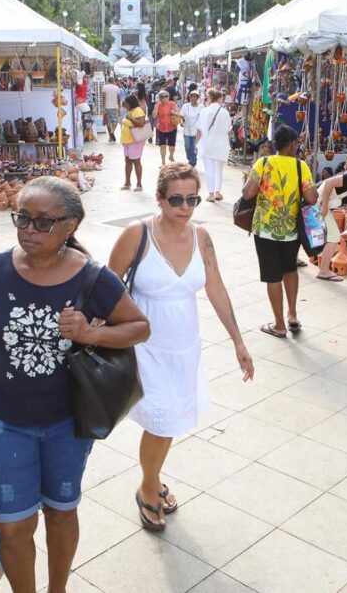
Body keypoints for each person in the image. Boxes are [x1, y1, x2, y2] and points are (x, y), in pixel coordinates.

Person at [0, 177, 149, 593]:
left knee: (60, 514)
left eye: (42, 223)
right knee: (14, 528)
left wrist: (91, 333)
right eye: (22, 220)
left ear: (71, 225)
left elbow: (140, 327)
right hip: (7, 424)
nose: (28, 231)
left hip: (67, 426)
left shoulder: (93, 278)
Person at [109, 164, 253, 531]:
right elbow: (106, 289)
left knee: (169, 421)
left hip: (185, 347)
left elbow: (216, 288)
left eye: (193, 199)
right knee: (161, 421)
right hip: (145, 346)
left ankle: (153, 480)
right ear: (159, 198)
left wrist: (238, 340)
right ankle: (147, 488)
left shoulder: (202, 237)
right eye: (176, 199)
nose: (186, 207)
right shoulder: (135, 235)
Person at [241, 125, 317, 337]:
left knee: (272, 276)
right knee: (290, 269)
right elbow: (312, 198)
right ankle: (292, 315)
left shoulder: (263, 163)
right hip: (291, 230)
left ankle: (279, 325)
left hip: (265, 230)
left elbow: (247, 193)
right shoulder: (301, 166)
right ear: (292, 144)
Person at [197, 88, 232, 201]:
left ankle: (211, 194)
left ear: (211, 98)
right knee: (219, 169)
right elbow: (228, 129)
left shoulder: (204, 111)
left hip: (208, 144)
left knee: (209, 169)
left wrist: (197, 143)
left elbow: (199, 130)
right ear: (219, 98)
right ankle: (217, 192)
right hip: (221, 144)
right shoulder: (225, 112)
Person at [120, 95, 148, 191]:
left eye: (126, 104)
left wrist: (130, 118)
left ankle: (139, 184)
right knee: (127, 161)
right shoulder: (131, 111)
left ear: (130, 103)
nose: (125, 105)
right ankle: (127, 183)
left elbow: (141, 123)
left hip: (135, 141)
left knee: (136, 161)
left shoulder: (138, 110)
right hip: (127, 141)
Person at [153, 90, 179, 165]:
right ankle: (163, 162)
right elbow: (154, 116)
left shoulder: (172, 104)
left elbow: (178, 112)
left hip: (172, 127)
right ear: (160, 98)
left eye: (166, 96)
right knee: (162, 146)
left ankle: (171, 155)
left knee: (172, 146)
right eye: (162, 97)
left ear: (169, 97)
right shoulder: (158, 105)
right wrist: (157, 105)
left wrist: (174, 112)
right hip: (161, 128)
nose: (164, 98)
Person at [180, 90, 202, 167]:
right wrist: (181, 122)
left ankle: (192, 162)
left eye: (195, 96)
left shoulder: (201, 107)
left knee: (194, 147)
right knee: (187, 146)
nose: (193, 98)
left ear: (197, 98)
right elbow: (181, 116)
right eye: (192, 96)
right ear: (189, 97)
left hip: (197, 131)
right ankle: (190, 158)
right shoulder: (186, 106)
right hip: (187, 130)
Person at [103, 77, 121, 142]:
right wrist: (119, 106)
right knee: (115, 121)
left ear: (108, 81)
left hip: (107, 107)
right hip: (115, 107)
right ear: (113, 81)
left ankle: (110, 137)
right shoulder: (116, 88)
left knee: (108, 122)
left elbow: (104, 97)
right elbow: (118, 98)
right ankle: (112, 132)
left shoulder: (105, 87)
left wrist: (104, 107)